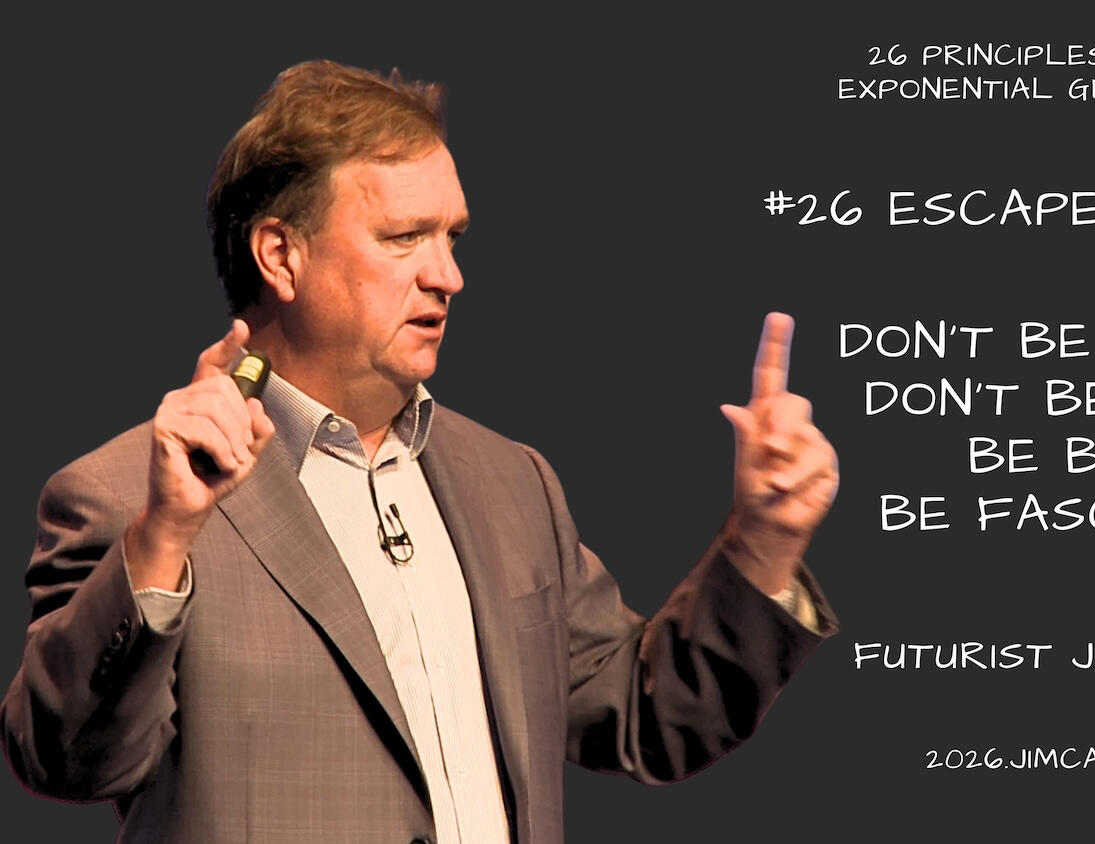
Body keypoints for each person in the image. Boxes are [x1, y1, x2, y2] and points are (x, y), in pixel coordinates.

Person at [1, 60, 837, 843]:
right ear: (281, 256)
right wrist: (163, 538)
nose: (448, 276)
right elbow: (65, 762)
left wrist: (761, 545)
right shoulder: (128, 497)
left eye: (453, 238)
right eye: (404, 237)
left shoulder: (511, 483)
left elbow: (645, 716)